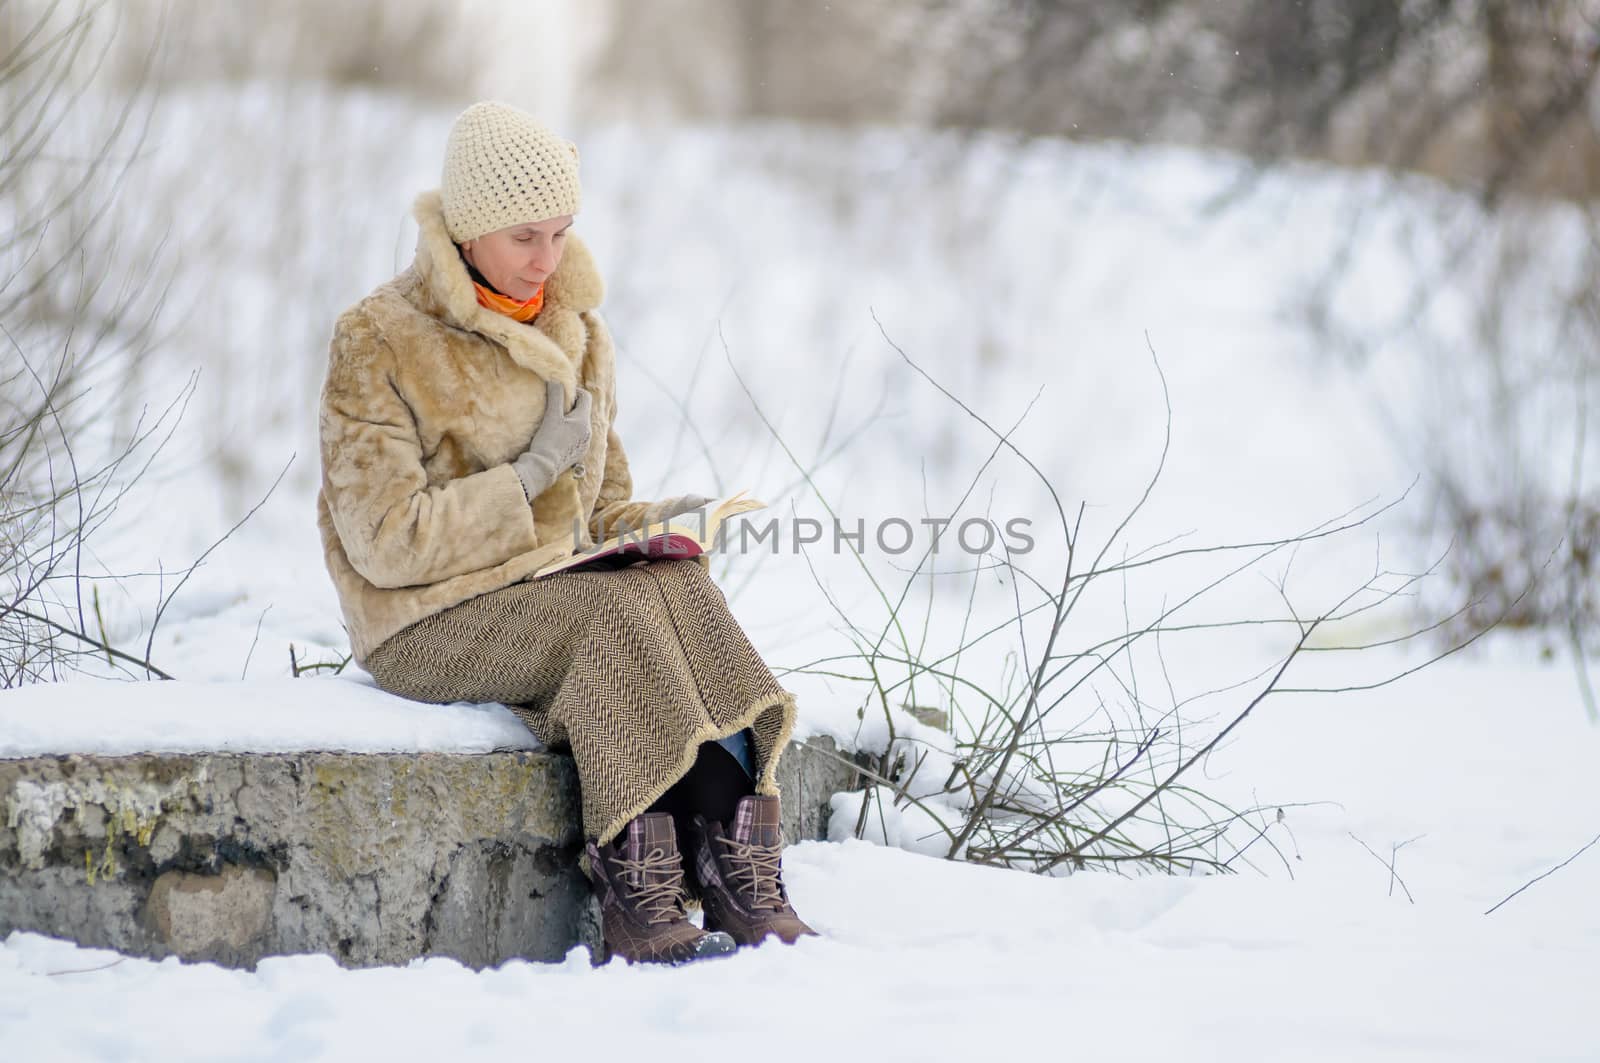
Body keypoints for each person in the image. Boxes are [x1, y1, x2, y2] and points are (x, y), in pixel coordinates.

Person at [314, 100, 816, 965]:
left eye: (562, 231)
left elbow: (599, 511)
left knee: (675, 586)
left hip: (550, 595)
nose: (548, 258)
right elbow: (383, 538)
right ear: (468, 230)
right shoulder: (380, 338)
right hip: (425, 621)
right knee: (610, 617)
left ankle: (736, 864)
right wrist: (525, 478)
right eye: (524, 237)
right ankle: (637, 879)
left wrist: (671, 522)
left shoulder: (576, 331)